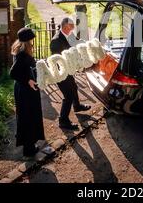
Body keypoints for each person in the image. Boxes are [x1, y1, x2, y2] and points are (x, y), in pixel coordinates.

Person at [50, 17, 91, 130]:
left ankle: (77, 106)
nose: (73, 29)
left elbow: (77, 43)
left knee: (74, 86)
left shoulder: (69, 35)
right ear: (65, 27)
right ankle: (63, 121)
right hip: (61, 72)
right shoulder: (56, 41)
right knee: (68, 96)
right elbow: (57, 60)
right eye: (71, 27)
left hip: (69, 69)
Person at [10, 28, 45, 157]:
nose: (32, 42)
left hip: (25, 89)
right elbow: (13, 73)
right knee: (28, 117)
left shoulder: (21, 51)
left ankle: (29, 145)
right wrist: (28, 81)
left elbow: (25, 69)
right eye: (31, 40)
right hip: (25, 91)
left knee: (28, 116)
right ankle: (29, 149)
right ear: (26, 41)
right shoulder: (22, 54)